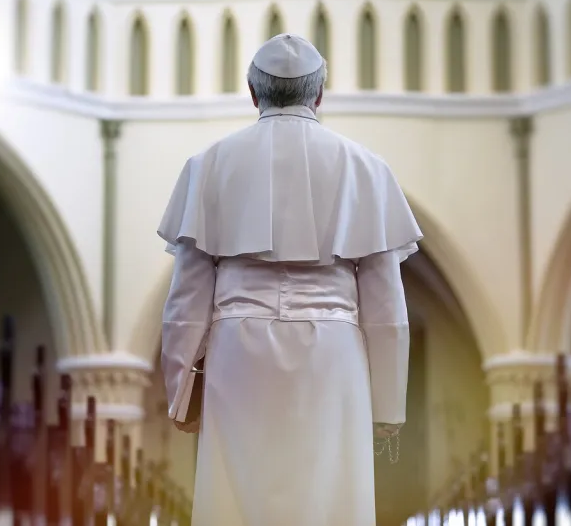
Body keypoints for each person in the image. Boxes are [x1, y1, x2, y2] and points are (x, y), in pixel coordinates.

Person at [157, 33, 423, 526]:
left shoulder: (208, 165)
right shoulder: (366, 167)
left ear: (252, 93)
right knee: (329, 495)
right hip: (334, 356)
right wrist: (387, 402)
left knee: (239, 496)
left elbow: (186, 301)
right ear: (319, 95)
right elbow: (386, 304)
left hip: (239, 354)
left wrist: (180, 395)